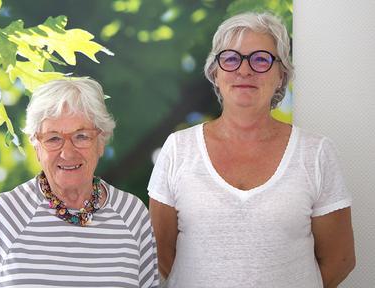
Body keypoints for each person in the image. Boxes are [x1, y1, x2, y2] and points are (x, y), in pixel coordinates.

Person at [148, 12, 355, 288]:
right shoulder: (178, 149)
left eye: (260, 59)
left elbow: (339, 259)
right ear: (215, 72)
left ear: (281, 75)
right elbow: (161, 252)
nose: (244, 71)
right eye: (231, 59)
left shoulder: (316, 153)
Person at [0, 78, 159, 288]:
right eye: (53, 138)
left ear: (101, 142)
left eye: (81, 136)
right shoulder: (3, 214)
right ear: (37, 147)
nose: (68, 152)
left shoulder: (132, 214)